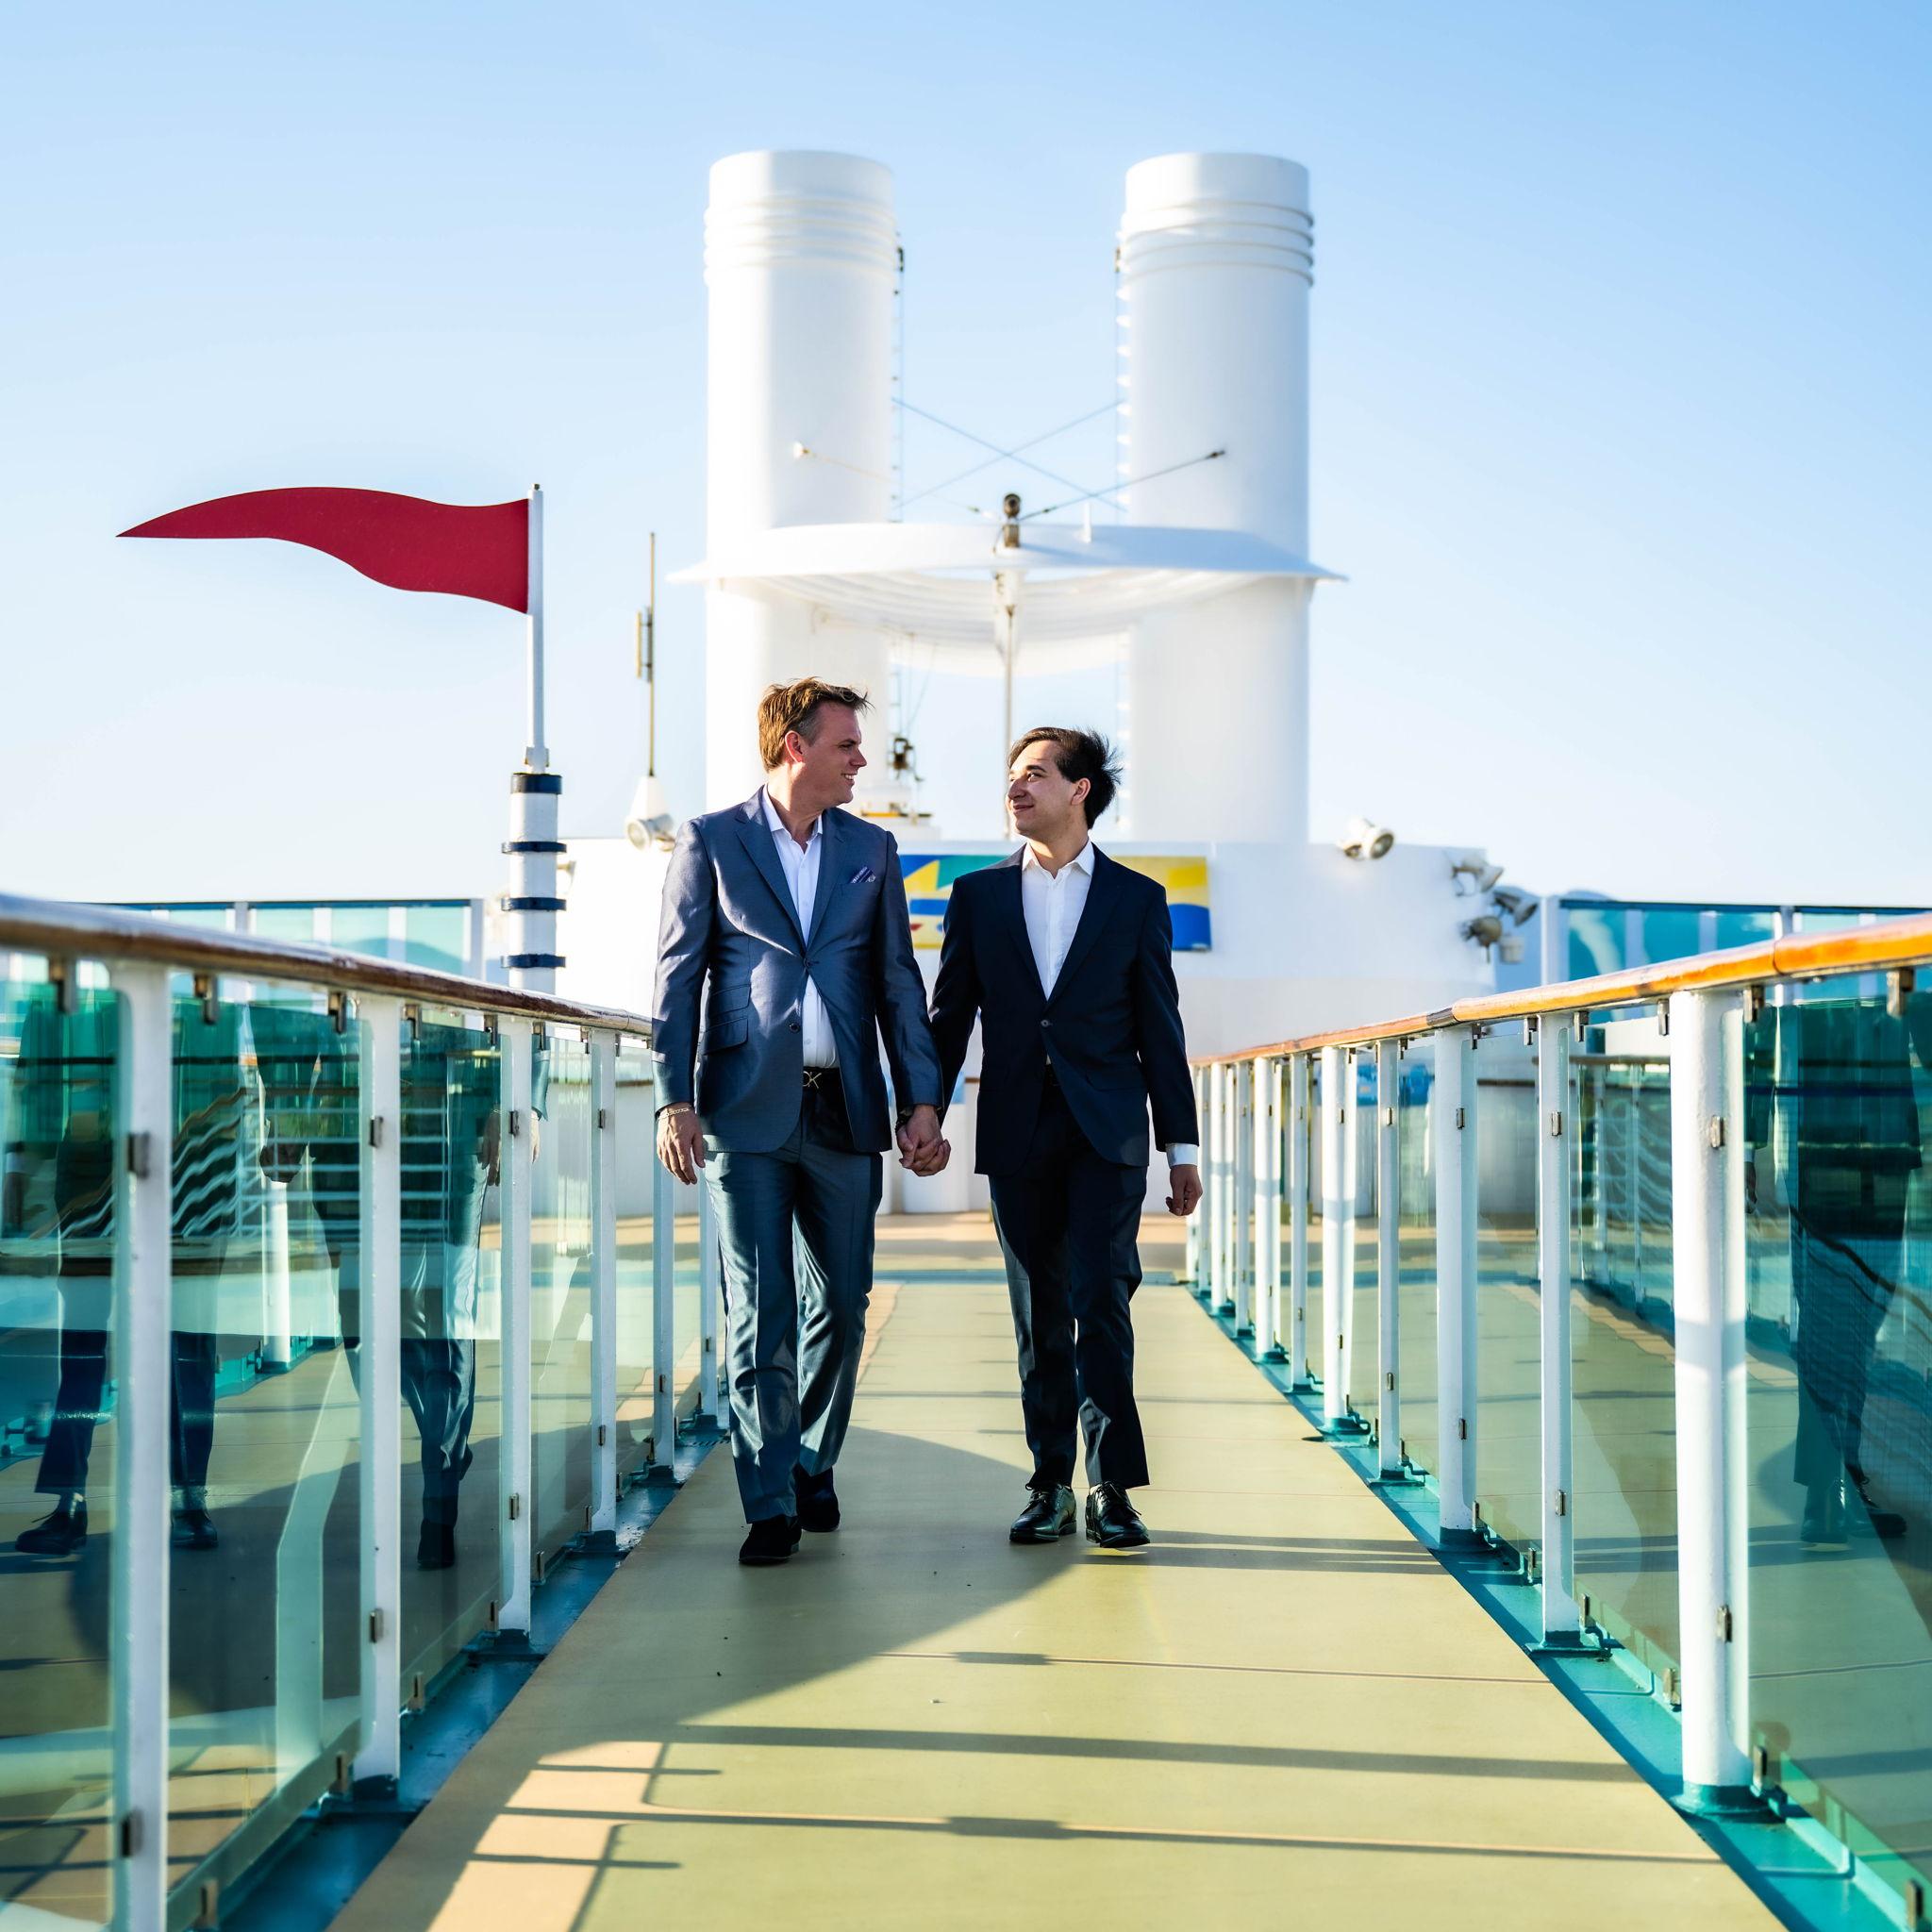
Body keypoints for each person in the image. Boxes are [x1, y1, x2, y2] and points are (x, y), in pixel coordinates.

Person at [652, 678, 947, 1566]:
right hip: (744, 1112)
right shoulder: (711, 839)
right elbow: (676, 979)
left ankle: (813, 1457)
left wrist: (920, 1100)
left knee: (844, 1306)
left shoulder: (871, 847)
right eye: (847, 745)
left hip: (845, 1110)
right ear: (796, 747)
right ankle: (770, 1498)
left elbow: (898, 982)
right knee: (759, 1311)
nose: (861, 759)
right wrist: (674, 1097)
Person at [929, 727, 1202, 1550]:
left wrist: (1181, 1149)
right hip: (1016, 1127)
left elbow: (1160, 1029)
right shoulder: (977, 896)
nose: (1016, 788)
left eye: (1036, 774)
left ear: (1081, 790)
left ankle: (1112, 1487)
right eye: (1012, 776)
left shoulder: (1136, 898)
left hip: (1105, 1132)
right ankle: (1049, 1482)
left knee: (1101, 1303)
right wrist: (925, 1109)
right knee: (1038, 1312)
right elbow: (950, 1018)